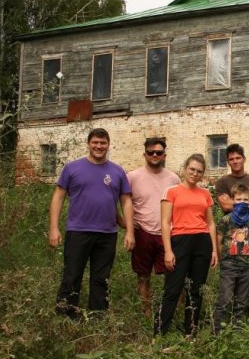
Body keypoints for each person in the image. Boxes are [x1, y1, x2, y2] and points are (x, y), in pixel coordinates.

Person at [49, 128, 134, 320]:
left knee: (101, 279)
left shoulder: (117, 171)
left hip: (107, 234)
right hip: (78, 231)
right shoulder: (72, 168)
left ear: (108, 145)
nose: (99, 146)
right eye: (95, 142)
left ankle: (98, 318)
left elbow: (126, 201)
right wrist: (53, 228)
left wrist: (130, 231)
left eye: (103, 143)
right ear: (88, 144)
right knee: (72, 276)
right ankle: (66, 317)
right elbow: (58, 197)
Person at [154, 154, 218, 339]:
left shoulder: (205, 194)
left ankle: (190, 333)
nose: (195, 174)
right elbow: (165, 223)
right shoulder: (171, 191)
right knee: (172, 289)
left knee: (196, 291)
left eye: (199, 171)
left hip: (202, 242)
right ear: (185, 168)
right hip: (179, 241)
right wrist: (168, 250)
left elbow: (211, 223)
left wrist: (214, 249)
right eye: (192, 169)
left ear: (203, 174)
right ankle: (159, 334)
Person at [125, 138, 180, 317]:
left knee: (173, 275)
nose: (154, 155)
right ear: (145, 154)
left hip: (168, 234)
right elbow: (121, 201)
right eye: (150, 152)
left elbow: (180, 205)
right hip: (143, 232)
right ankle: (146, 313)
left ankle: (171, 313)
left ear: (164, 154)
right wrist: (124, 223)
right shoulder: (132, 177)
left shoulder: (173, 178)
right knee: (143, 275)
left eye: (158, 152)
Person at [214, 144, 249, 318]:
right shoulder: (222, 182)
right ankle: (229, 316)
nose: (235, 161)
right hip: (232, 235)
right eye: (231, 159)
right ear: (228, 161)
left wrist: (236, 200)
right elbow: (225, 205)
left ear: (244, 158)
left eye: (238, 158)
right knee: (232, 277)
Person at [213, 183, 249, 334]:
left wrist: (248, 257)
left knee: (243, 299)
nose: (242, 202)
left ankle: (238, 329)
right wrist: (222, 259)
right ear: (232, 200)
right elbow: (219, 240)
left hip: (245, 267)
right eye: (238, 199)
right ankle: (218, 329)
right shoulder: (226, 220)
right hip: (228, 266)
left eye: (245, 200)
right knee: (225, 298)